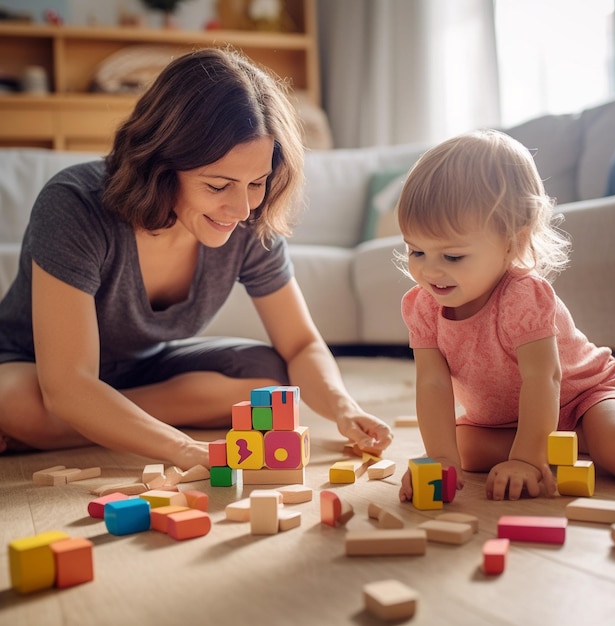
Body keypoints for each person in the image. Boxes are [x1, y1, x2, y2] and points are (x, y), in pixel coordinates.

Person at [0, 48, 392, 468]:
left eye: (257, 182)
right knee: (17, 399)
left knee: (270, 381)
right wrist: (186, 449)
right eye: (219, 185)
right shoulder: (75, 204)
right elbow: (67, 383)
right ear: (160, 166)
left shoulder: (248, 221)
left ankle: (73, 424)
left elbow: (300, 344)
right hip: (36, 367)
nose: (242, 208)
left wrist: (344, 409)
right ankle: (70, 418)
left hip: (142, 370)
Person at [396, 129, 615, 502]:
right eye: (416, 252)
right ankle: (571, 444)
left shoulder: (522, 295)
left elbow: (544, 377)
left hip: (585, 398)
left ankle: (568, 440)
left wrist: (527, 459)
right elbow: (433, 385)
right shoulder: (422, 306)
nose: (430, 271)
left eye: (452, 257)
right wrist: (440, 458)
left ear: (513, 243)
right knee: (463, 449)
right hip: (505, 419)